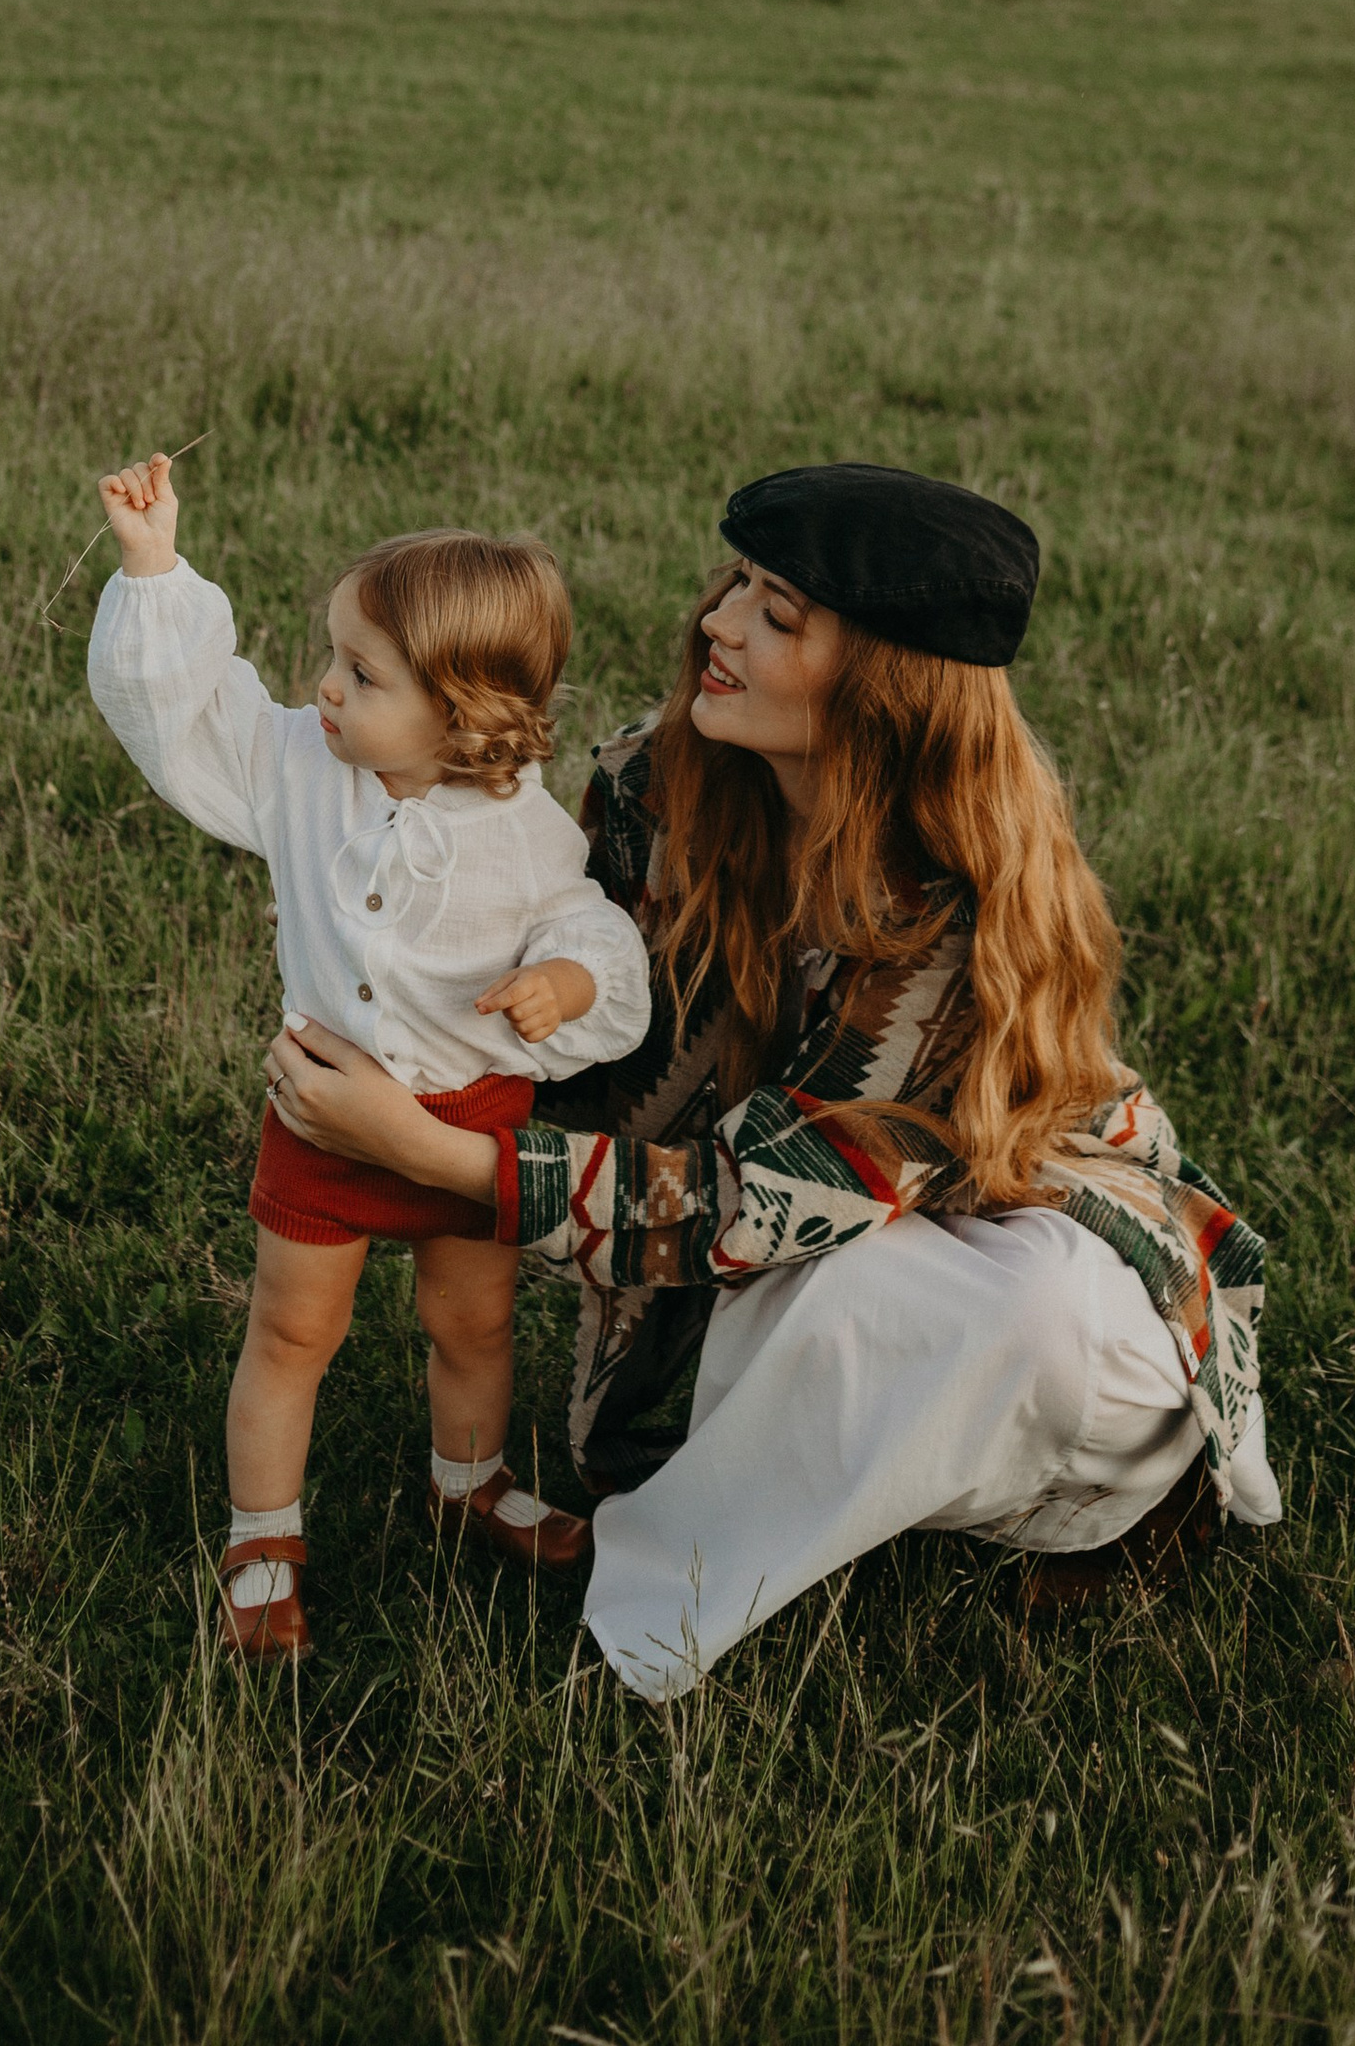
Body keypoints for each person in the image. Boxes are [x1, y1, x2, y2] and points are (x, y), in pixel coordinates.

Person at [264, 460, 1278, 1698]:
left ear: (885, 689)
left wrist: (438, 1158)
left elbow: (769, 1200)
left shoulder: (966, 900)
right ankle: (806, 1474)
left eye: (777, 616)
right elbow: (555, 1015)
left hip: (1020, 1240)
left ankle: (1046, 1518)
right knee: (804, 1318)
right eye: (737, 584)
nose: (715, 625)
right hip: (776, 1232)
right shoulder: (653, 785)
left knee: (1015, 1322)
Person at [87, 449, 651, 1660]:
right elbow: (190, 715)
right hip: (324, 1115)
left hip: (471, 1128)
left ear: (461, 715)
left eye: (358, 672)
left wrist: (565, 981)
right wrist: (152, 569)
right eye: (332, 659)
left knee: (474, 1324)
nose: (323, 688)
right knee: (292, 1330)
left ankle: (469, 1481)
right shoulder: (300, 765)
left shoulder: (529, 836)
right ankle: (264, 1534)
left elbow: (590, 935)